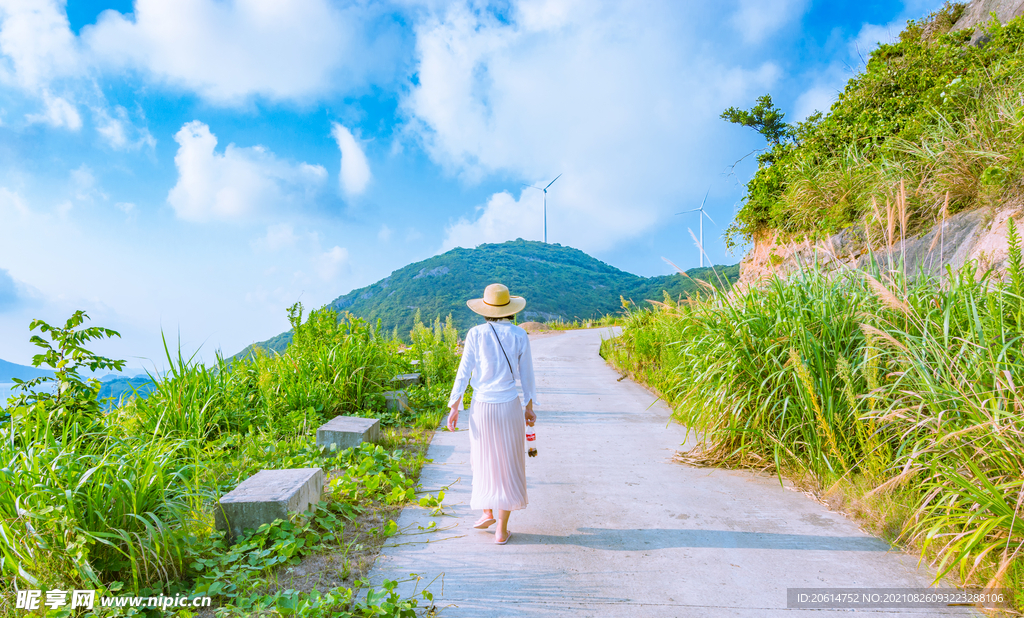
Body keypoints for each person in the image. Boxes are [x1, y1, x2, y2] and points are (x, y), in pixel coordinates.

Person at [447, 283, 537, 545]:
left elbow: (463, 371)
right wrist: (529, 407)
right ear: (510, 310)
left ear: (485, 309)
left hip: (482, 406)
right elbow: (527, 375)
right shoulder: (520, 335)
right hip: (508, 404)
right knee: (508, 462)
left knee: (482, 458)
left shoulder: (475, 334)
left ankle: (486, 511)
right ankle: (501, 529)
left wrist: (455, 405)